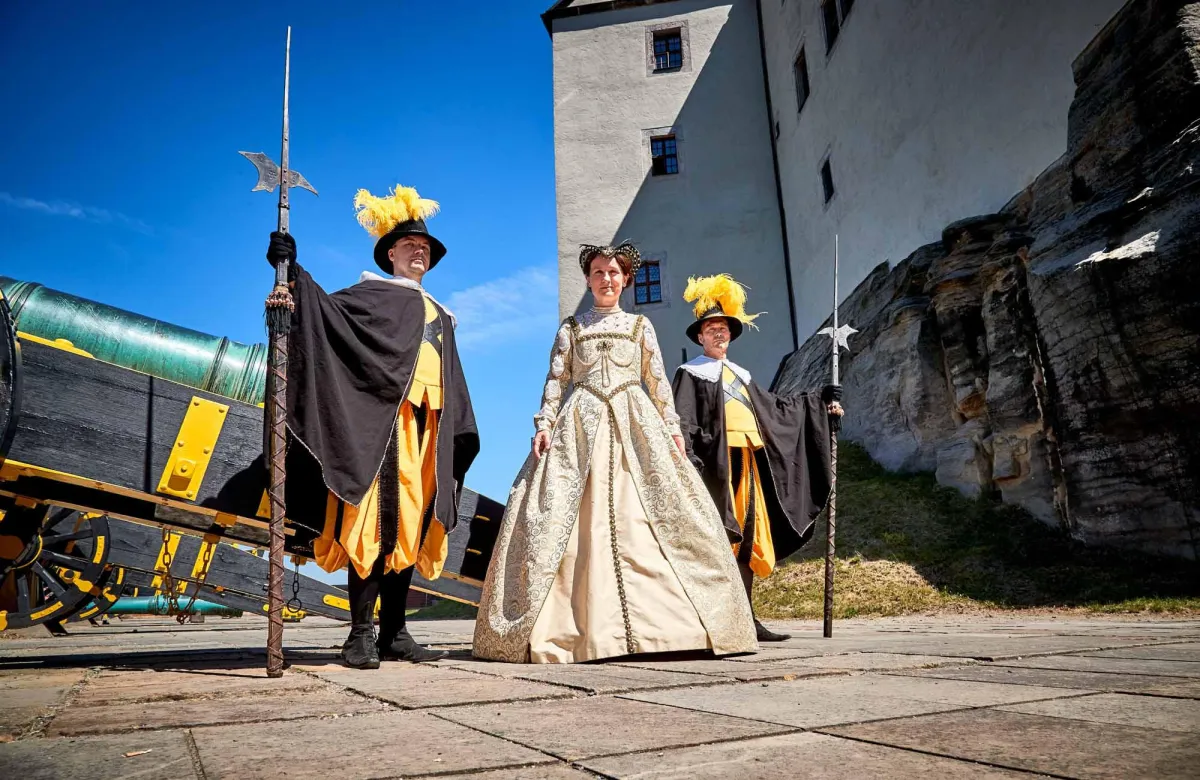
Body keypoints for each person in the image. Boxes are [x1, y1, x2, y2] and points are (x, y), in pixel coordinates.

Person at [473, 244, 756, 663]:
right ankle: (576, 631)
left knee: (654, 513)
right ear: (588, 280)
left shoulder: (641, 326)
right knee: (561, 519)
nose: (606, 279)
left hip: (635, 422)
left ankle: (673, 627)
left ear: (625, 280)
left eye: (614, 273)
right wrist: (545, 424)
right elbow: (555, 380)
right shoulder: (571, 328)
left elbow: (657, 381)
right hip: (580, 423)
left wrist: (672, 429)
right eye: (599, 272)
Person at [266, 185, 479, 669]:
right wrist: (292, 273)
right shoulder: (369, 297)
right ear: (389, 253)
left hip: (428, 434)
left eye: (425, 247)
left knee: (411, 527)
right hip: (382, 428)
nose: (420, 251)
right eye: (410, 245)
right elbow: (323, 318)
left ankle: (395, 632)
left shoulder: (441, 312)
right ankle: (360, 633)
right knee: (372, 528)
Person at [671, 275, 842, 642]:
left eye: (723, 329)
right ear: (699, 336)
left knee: (747, 540)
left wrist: (820, 401)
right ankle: (713, 622)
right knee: (718, 539)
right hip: (714, 467)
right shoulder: (690, 374)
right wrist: (688, 459)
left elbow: (777, 409)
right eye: (711, 329)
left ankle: (747, 619)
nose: (718, 334)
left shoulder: (741, 376)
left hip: (748, 461)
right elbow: (682, 420)